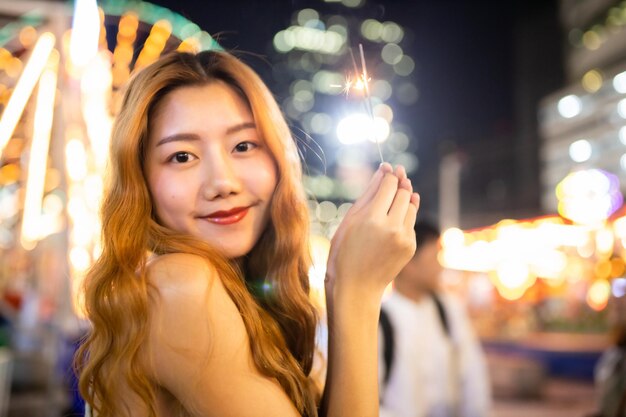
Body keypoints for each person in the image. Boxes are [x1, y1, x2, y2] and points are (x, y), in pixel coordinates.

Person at [74, 50, 420, 417]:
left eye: (243, 146)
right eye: (181, 156)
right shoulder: (180, 287)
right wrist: (356, 292)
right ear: (140, 180)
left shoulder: (241, 293)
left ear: (276, 158)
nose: (222, 182)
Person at [378, 220, 491, 417]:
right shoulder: (380, 321)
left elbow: (472, 375)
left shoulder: (448, 310)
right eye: (435, 257)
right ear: (408, 263)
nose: (440, 267)